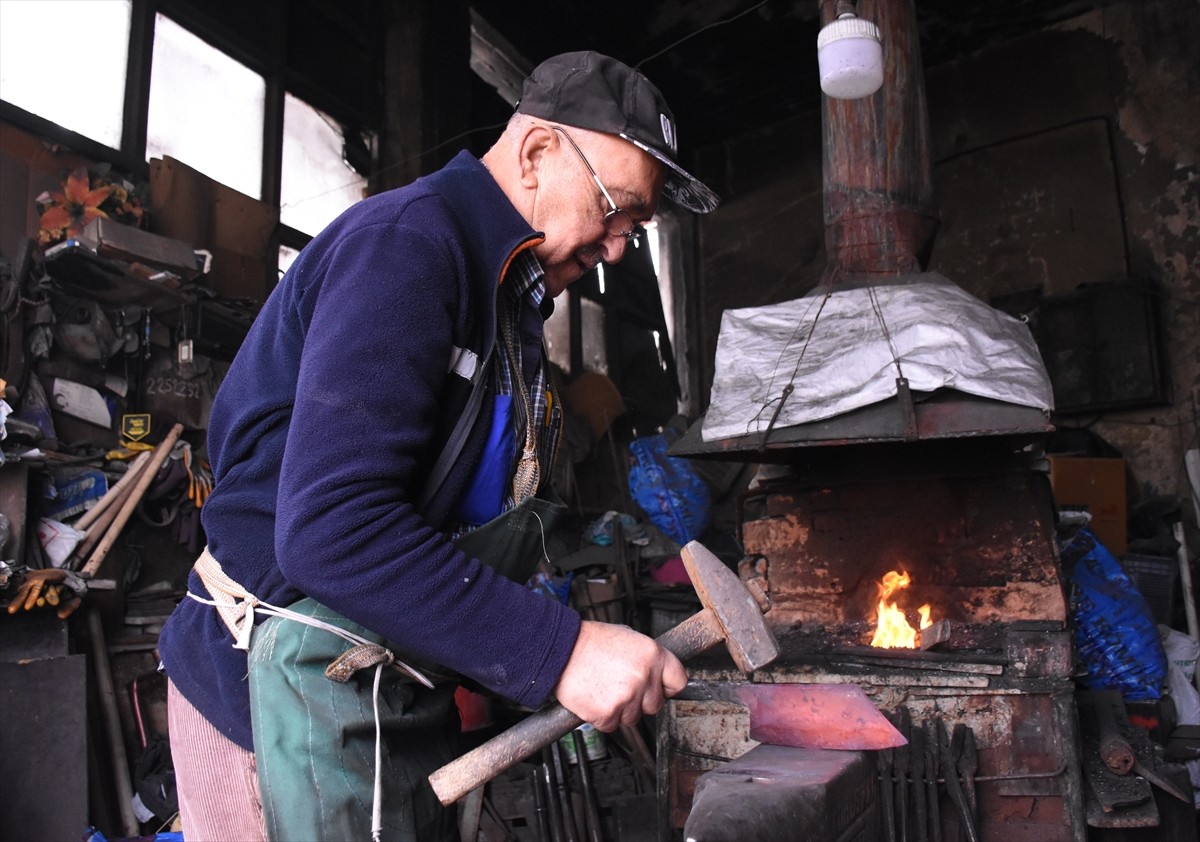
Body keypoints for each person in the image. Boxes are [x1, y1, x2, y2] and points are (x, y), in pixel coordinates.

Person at [157, 50, 720, 841]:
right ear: (535, 153)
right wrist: (561, 650)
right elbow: (331, 530)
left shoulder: (508, 300)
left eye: (638, 226)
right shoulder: (409, 248)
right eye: (615, 208)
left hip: (387, 686)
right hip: (271, 694)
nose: (620, 247)